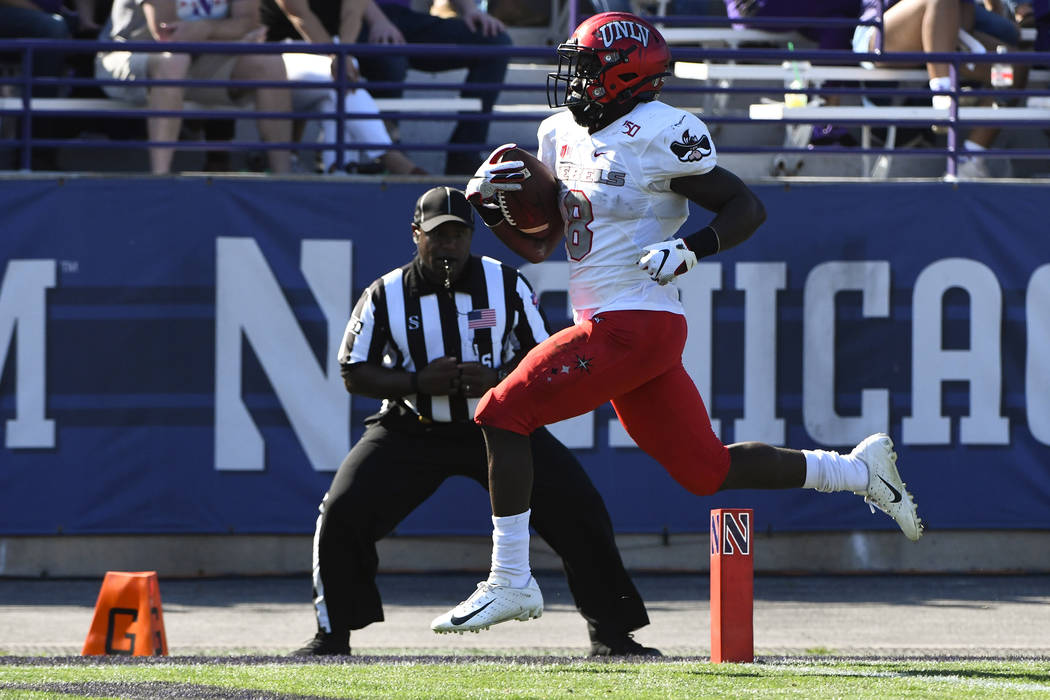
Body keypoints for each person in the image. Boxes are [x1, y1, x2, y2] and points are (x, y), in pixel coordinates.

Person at [430, 11, 924, 635]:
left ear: (625, 77)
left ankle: (510, 580)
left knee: (501, 411)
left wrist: (692, 248)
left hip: (634, 322)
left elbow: (747, 205)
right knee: (705, 471)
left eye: (586, 69)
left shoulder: (661, 133)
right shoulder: (558, 132)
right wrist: (494, 212)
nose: (574, 80)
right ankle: (857, 471)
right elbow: (543, 244)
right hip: (619, 325)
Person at [292, 185, 660, 658]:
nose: (448, 246)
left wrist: (499, 379)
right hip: (413, 427)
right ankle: (332, 635)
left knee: (580, 511)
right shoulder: (385, 294)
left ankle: (613, 634)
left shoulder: (506, 284)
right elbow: (353, 371)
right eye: (437, 236)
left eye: (458, 235)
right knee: (341, 514)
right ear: (415, 235)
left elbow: (544, 357)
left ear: (472, 237)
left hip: (500, 427)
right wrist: (417, 381)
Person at [95, 0, 293, 174]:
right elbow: (168, 35)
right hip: (130, 56)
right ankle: (159, 177)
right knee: (174, 62)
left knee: (271, 63)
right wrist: (235, 38)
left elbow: (248, 22)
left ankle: (284, 178)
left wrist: (208, 29)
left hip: (201, 56)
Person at [259, 0, 426, 174]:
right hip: (272, 63)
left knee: (337, 96)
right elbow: (300, 15)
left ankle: (339, 174)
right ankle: (388, 154)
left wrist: (342, 56)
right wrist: (338, 57)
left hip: (328, 60)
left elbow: (353, 13)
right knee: (338, 80)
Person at [354, 0, 512, 175]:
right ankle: (388, 156)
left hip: (405, 18)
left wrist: (470, 10)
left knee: (496, 42)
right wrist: (378, 21)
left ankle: (464, 154)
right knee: (389, 56)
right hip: (355, 22)